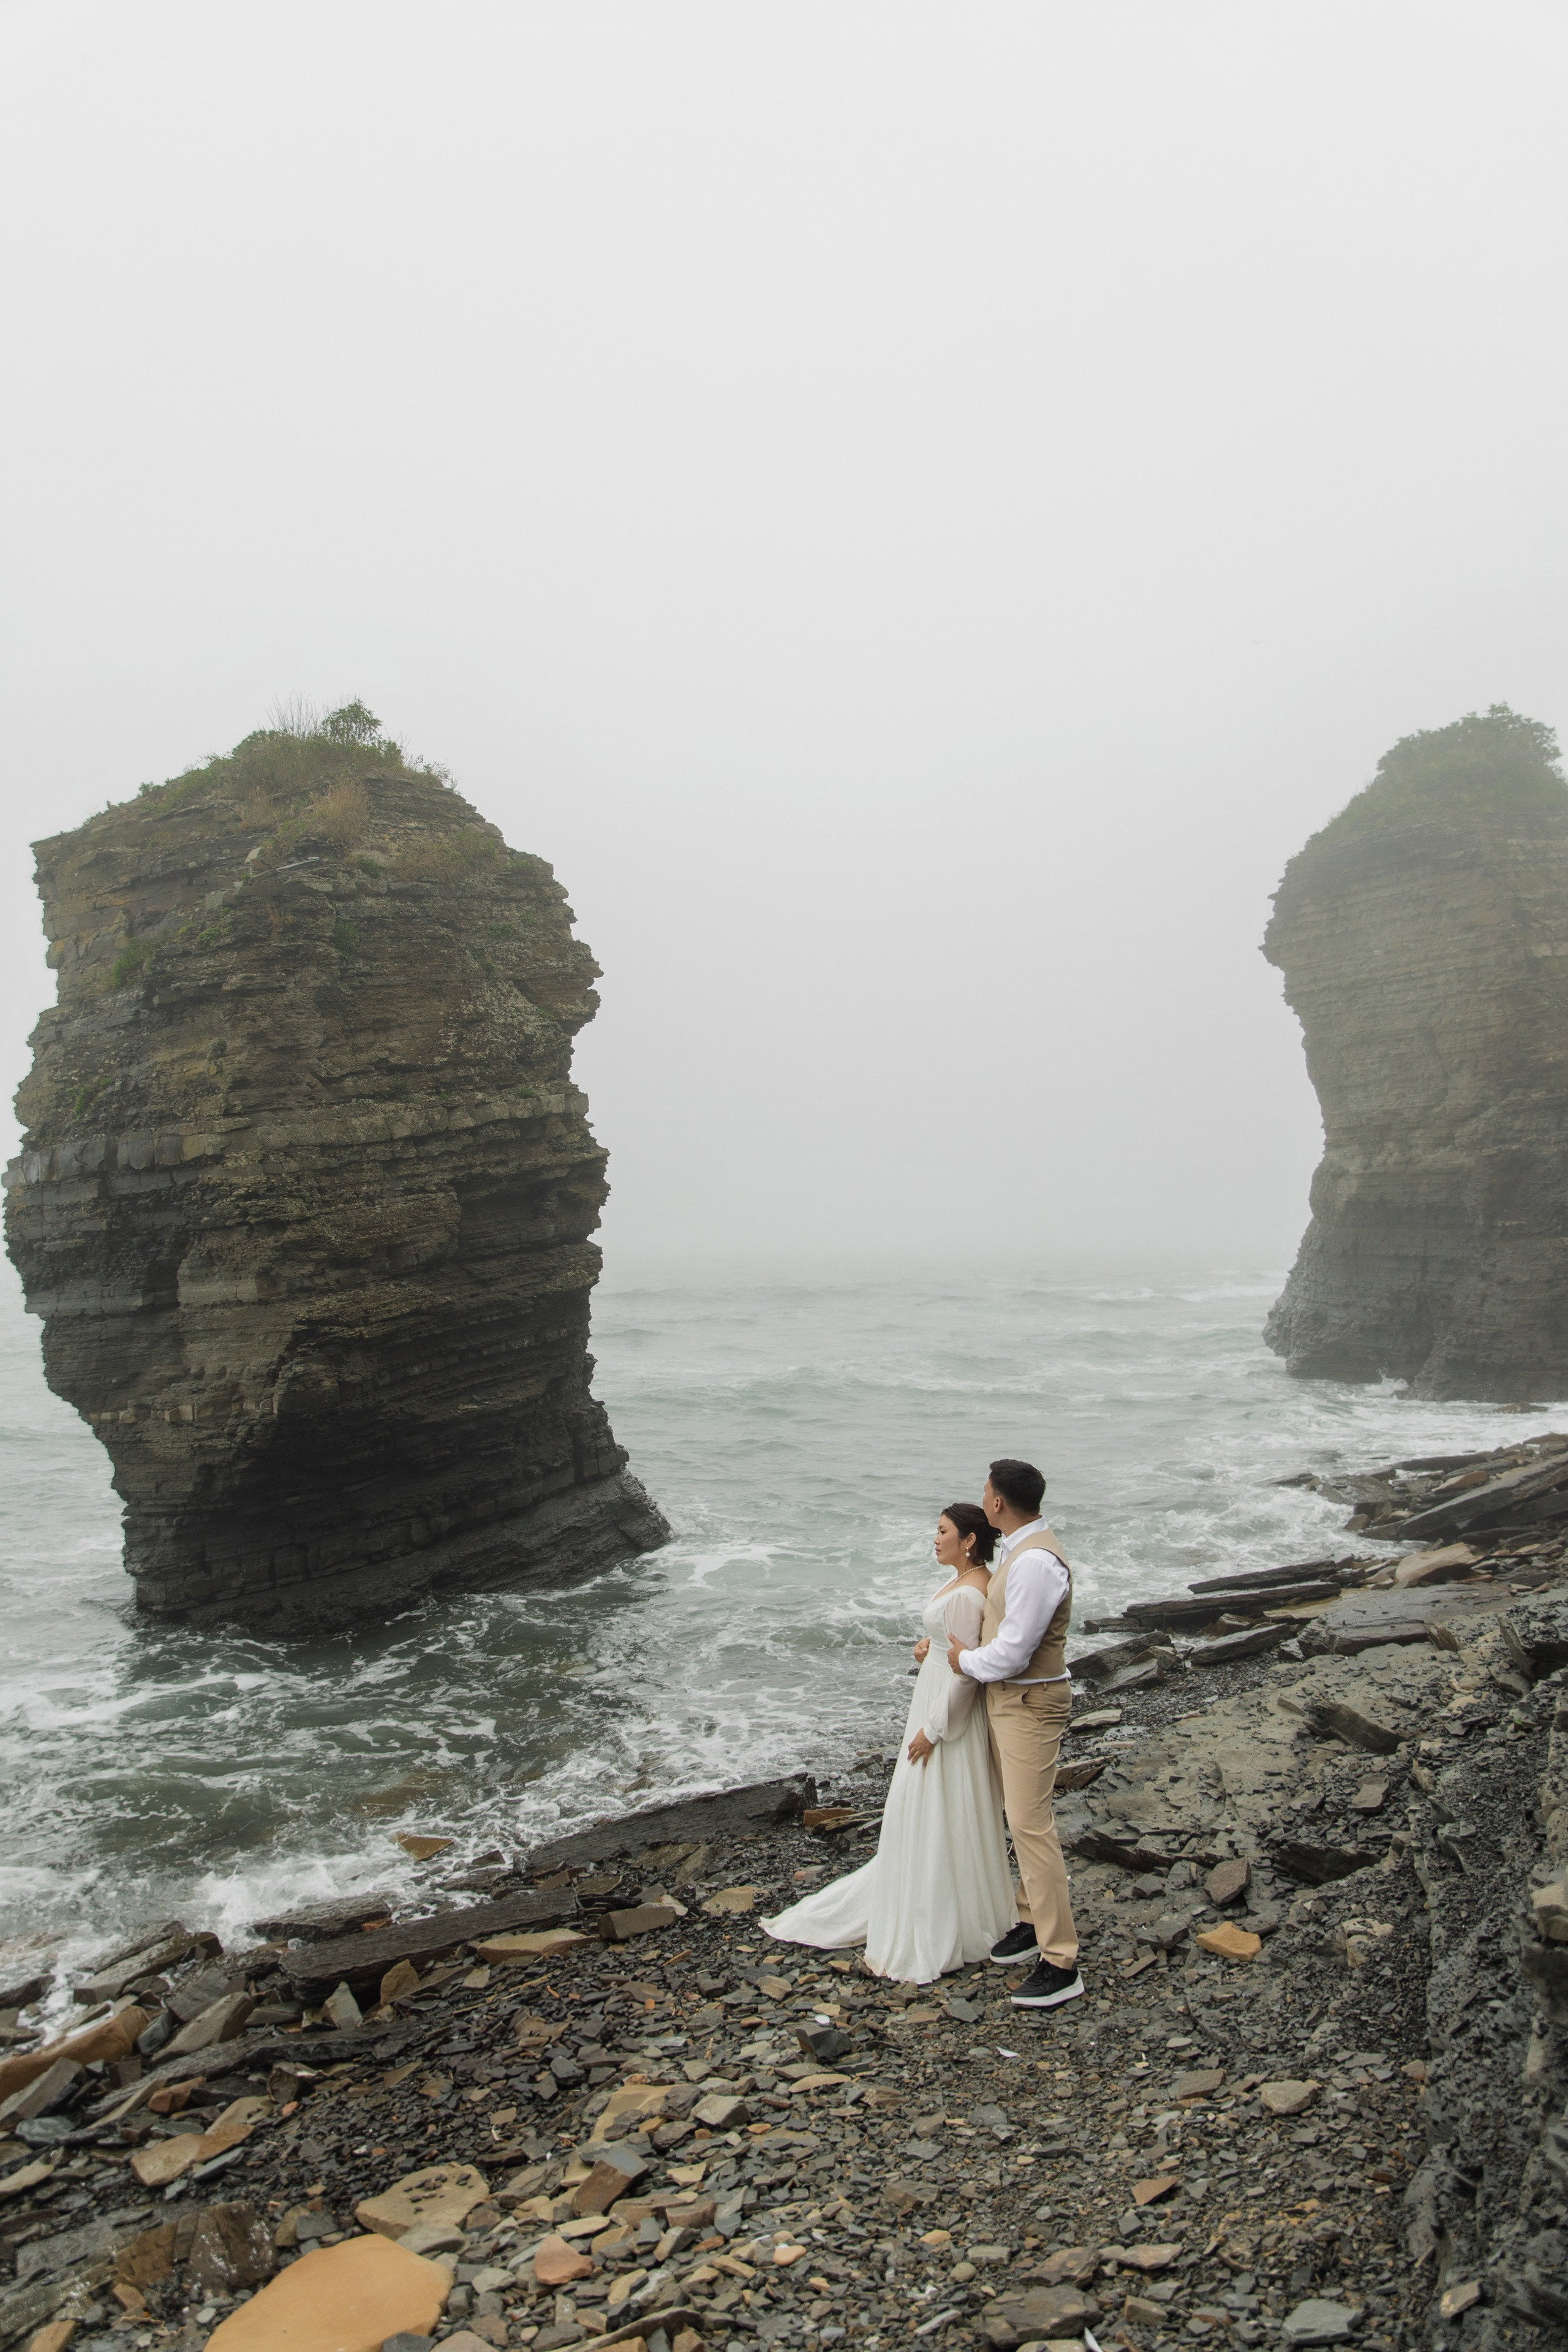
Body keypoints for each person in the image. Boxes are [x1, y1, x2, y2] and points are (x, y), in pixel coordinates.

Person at [761, 1504, 1015, 1982]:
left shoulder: (967, 1592)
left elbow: (966, 1677)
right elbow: (953, 1650)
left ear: (969, 1541)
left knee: (929, 1804)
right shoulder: (970, 1581)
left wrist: (932, 1731)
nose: (934, 1538)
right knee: (940, 1808)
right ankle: (953, 1904)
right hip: (937, 1694)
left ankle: (935, 1917)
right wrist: (929, 1649)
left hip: (945, 1711)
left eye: (943, 1532)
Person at [947, 1456, 1084, 2010]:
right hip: (1013, 1700)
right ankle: (1031, 1921)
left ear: (998, 1503)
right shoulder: (1022, 1550)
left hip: (1029, 1702)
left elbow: (1013, 1651)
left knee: (1031, 1827)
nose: (982, 1500)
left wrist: (962, 1662)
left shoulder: (1033, 1563)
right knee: (1019, 1817)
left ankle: (1061, 1960)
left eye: (985, 1493)